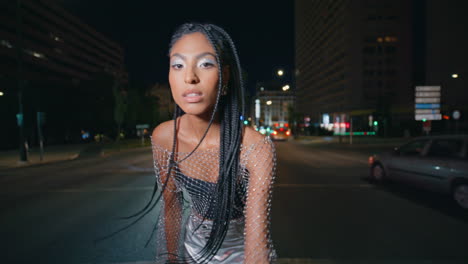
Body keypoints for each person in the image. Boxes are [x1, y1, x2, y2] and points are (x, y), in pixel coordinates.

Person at [149, 23, 277, 263]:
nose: (189, 77)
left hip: (241, 254)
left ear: (225, 74)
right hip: (193, 250)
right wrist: (172, 259)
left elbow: (257, 238)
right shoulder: (163, 138)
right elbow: (171, 207)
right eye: (178, 65)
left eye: (205, 63)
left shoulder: (256, 147)